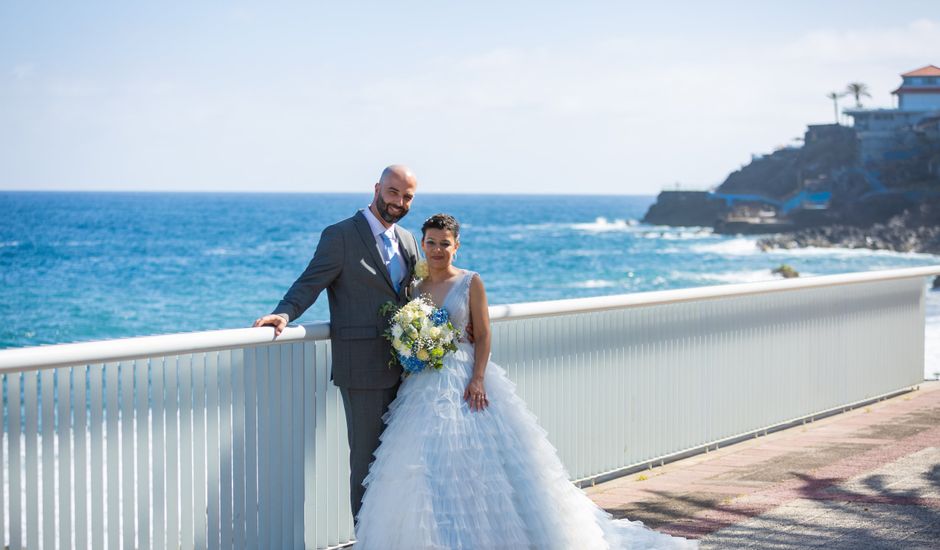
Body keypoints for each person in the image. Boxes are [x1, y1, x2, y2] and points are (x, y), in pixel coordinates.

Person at [354, 214, 699, 549]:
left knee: (476, 461)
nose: (437, 250)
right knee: (422, 463)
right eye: (430, 243)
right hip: (424, 381)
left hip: (464, 377)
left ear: (456, 245)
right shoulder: (415, 287)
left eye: (444, 243)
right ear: (424, 244)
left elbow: (485, 334)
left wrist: (477, 379)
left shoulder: (470, 281)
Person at [253, 165, 421, 522]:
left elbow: (416, 298)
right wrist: (283, 313)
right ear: (377, 188)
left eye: (407, 196)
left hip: (407, 370)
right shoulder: (341, 235)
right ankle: (366, 540)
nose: (399, 202)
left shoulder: (407, 240)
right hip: (361, 368)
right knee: (366, 462)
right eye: (393, 192)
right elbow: (310, 281)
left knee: (399, 459)